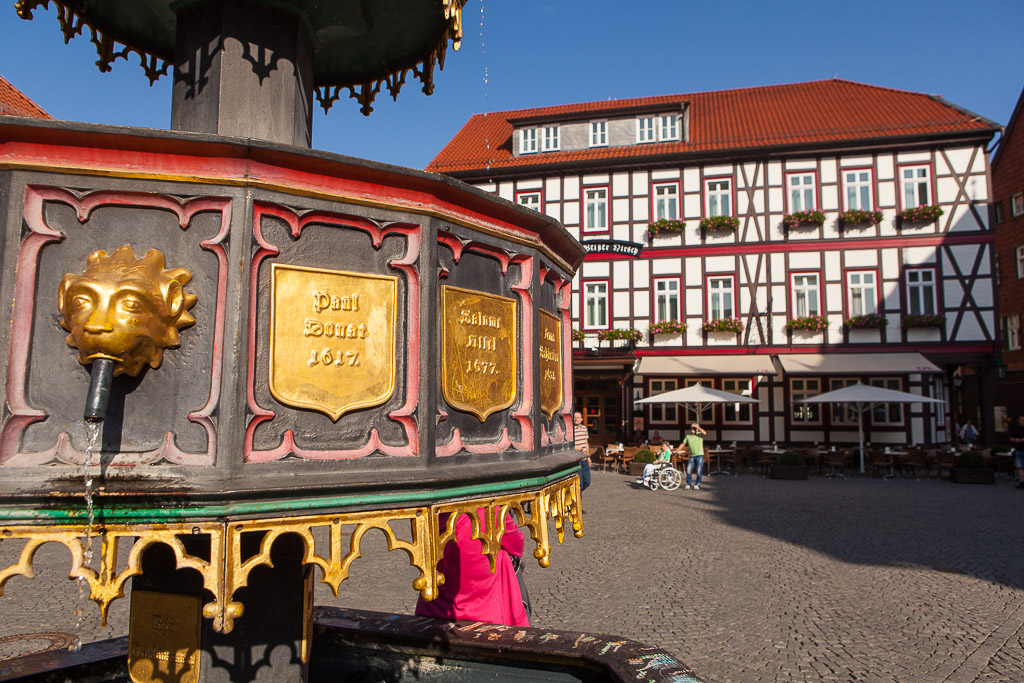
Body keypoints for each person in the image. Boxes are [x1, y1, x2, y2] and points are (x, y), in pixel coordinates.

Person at [415, 507, 530, 626]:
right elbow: (516, 545)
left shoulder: (426, 513)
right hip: (486, 612)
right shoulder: (490, 509)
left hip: (433, 608)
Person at [683, 423, 707, 490]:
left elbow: (705, 433)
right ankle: (689, 484)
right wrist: (677, 450)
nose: (693, 429)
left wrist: (698, 427)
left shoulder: (699, 435)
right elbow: (683, 443)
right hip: (692, 456)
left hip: (699, 455)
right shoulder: (688, 436)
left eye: (694, 428)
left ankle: (697, 484)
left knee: (699, 470)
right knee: (688, 470)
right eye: (692, 428)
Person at [573, 410, 591, 492]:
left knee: (587, 482)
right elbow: (566, 445)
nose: (576, 419)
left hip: (584, 459)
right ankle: (578, 503)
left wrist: (589, 457)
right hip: (576, 460)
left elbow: (586, 443)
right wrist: (575, 448)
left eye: (578, 417)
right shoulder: (571, 430)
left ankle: (575, 496)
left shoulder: (584, 428)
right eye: (574, 417)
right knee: (579, 485)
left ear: (581, 419)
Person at [1010, 416, 1024, 489]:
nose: (1022, 421)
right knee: (1020, 467)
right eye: (1021, 420)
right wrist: (1015, 440)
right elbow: (1011, 438)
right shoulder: (1015, 428)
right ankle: (1022, 482)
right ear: (1018, 420)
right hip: (1018, 449)